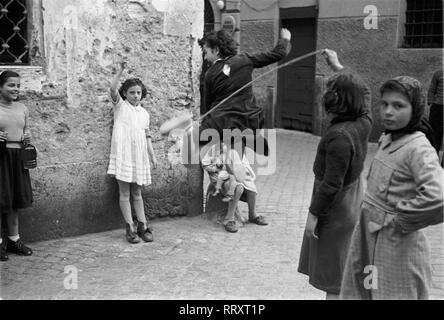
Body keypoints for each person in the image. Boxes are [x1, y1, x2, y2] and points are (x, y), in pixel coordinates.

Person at [340, 76, 444, 300]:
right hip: (369, 237)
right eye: (384, 104)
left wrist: (401, 219)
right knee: (366, 289)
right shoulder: (388, 138)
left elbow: (439, 197)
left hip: (398, 245)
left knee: (394, 294)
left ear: (415, 108)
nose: (388, 111)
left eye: (398, 106)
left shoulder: (418, 148)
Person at [297, 49, 373, 300]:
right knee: (343, 268)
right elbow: (365, 92)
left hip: (337, 208)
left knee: (334, 279)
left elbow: (330, 185)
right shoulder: (364, 121)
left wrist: (312, 216)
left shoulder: (339, 136)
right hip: (353, 197)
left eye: (333, 92)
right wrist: (338, 66)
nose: (327, 94)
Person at [198, 28, 292, 156]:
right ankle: (239, 161)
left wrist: (204, 121)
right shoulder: (245, 60)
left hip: (222, 122)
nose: (205, 57)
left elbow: (208, 105)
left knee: (197, 142)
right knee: (236, 143)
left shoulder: (210, 74)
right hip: (249, 119)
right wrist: (285, 39)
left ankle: (223, 165)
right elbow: (278, 54)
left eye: (206, 52)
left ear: (216, 50)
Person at [108, 62, 158, 244]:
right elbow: (112, 88)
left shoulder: (144, 113)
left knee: (137, 193)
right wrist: (120, 71)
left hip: (139, 156)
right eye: (131, 92)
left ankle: (142, 225)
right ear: (125, 94)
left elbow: (147, 136)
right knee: (124, 193)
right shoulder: (120, 106)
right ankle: (129, 227)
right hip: (124, 155)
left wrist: (152, 155)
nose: (135, 96)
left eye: (138, 92)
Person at [0, 70, 34, 262]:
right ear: (0, 87)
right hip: (1, 157)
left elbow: (25, 127)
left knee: (14, 200)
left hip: (17, 157)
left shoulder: (22, 108)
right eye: (11, 85)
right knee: (0, 200)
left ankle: (14, 240)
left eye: (18, 86)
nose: (16, 89)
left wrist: (26, 135)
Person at [427, 69, 443, 156]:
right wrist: (430, 102)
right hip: (438, 108)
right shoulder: (438, 73)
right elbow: (432, 90)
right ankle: (433, 159)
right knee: (435, 135)